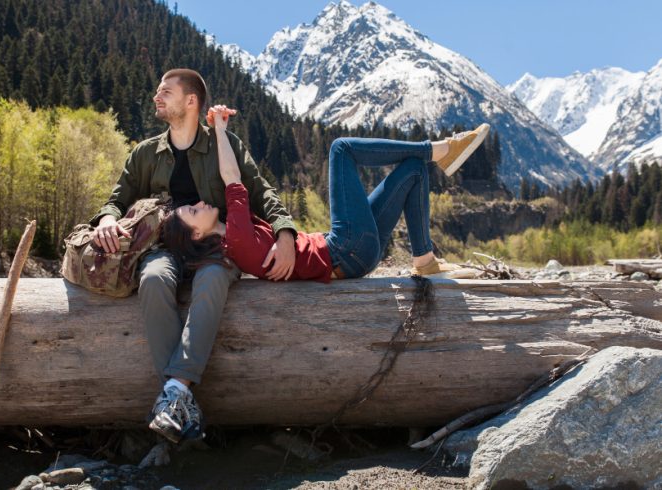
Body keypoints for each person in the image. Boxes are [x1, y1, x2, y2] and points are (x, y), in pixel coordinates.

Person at [89, 70, 298, 443]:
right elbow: (117, 199)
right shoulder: (145, 153)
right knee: (153, 279)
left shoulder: (224, 143)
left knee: (213, 279)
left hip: (217, 247)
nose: (157, 97)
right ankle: (179, 399)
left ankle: (173, 395)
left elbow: (260, 190)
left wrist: (285, 233)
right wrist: (106, 219)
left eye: (165, 92)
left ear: (191, 101)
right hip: (162, 248)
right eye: (158, 91)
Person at [163, 104, 490, 282]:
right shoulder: (235, 239)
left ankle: (425, 261)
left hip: (352, 254)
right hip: (344, 251)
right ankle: (440, 149)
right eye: (192, 211)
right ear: (196, 235)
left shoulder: (236, 236)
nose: (199, 203)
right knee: (341, 148)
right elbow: (231, 175)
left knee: (414, 171)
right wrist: (220, 130)